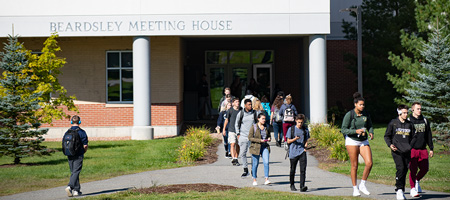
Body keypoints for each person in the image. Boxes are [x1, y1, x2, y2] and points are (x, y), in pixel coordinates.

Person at [341, 92, 374, 197]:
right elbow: (343, 129)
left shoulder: (366, 114)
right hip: (352, 141)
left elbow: (370, 125)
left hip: (363, 141)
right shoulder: (349, 115)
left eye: (363, 105)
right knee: (354, 165)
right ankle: (355, 188)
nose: (362, 106)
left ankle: (362, 184)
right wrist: (356, 131)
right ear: (355, 104)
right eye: (360, 105)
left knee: (369, 163)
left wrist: (371, 132)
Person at [384, 105, 415, 200]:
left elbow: (414, 137)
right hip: (396, 151)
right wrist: (390, 145)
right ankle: (399, 190)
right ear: (399, 113)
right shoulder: (393, 123)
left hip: (407, 151)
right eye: (404, 113)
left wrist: (410, 146)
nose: (406, 114)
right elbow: (387, 136)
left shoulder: (410, 124)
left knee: (405, 170)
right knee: (400, 168)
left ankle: (401, 189)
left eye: (407, 112)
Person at [408, 102, 434, 197]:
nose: (419, 110)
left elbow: (428, 135)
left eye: (420, 109)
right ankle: (412, 189)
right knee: (413, 170)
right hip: (412, 150)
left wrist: (431, 148)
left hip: (423, 149)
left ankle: (417, 180)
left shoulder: (425, 120)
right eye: (417, 109)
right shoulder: (409, 120)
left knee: (425, 169)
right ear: (413, 110)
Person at [64, 115, 88, 197]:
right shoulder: (81, 132)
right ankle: (70, 186)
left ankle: (76, 190)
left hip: (69, 154)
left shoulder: (67, 132)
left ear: (71, 121)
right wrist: (84, 151)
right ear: (80, 122)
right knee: (76, 171)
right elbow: (85, 145)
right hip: (79, 154)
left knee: (74, 172)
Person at [287, 114, 310, 192]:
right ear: (296, 121)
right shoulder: (291, 129)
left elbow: (306, 140)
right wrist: (295, 139)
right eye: (299, 122)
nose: (300, 124)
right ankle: (292, 184)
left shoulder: (305, 130)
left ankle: (302, 186)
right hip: (293, 152)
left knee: (303, 170)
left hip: (302, 152)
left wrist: (305, 146)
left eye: (301, 122)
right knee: (293, 169)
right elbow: (288, 141)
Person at [235, 99, 257, 178]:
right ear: (245, 105)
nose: (250, 106)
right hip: (243, 136)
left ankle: (253, 170)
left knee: (253, 154)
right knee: (242, 154)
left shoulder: (254, 113)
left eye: (251, 104)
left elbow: (257, 124)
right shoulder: (241, 113)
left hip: (252, 137)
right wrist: (238, 134)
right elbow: (236, 124)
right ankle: (245, 169)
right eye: (249, 105)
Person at [249, 113, 271, 186]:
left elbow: (268, 135)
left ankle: (266, 179)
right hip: (256, 147)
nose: (264, 120)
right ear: (258, 119)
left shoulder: (266, 126)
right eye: (262, 119)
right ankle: (254, 179)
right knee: (255, 164)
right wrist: (259, 140)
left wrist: (269, 138)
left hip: (265, 146)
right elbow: (250, 137)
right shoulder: (254, 127)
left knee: (266, 162)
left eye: (265, 119)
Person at [223, 97, 241, 165]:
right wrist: (224, 129)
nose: (238, 103)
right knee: (232, 144)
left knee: (238, 145)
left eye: (238, 101)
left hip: (239, 130)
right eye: (236, 102)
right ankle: (233, 158)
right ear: (233, 103)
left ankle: (236, 158)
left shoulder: (241, 110)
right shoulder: (230, 110)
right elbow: (226, 120)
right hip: (231, 130)